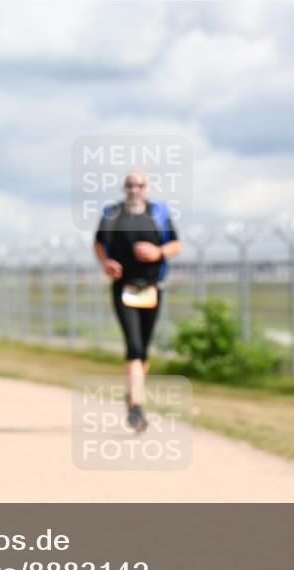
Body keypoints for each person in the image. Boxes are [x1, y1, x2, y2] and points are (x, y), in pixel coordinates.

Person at [93, 170, 181, 432]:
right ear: (124, 188)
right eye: (130, 185)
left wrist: (158, 252)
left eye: (139, 185)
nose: (134, 190)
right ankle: (137, 408)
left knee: (143, 349)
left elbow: (176, 245)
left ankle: (132, 394)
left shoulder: (159, 213)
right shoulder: (112, 214)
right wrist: (105, 263)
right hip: (124, 288)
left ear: (146, 188)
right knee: (132, 345)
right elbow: (99, 244)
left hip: (152, 288)